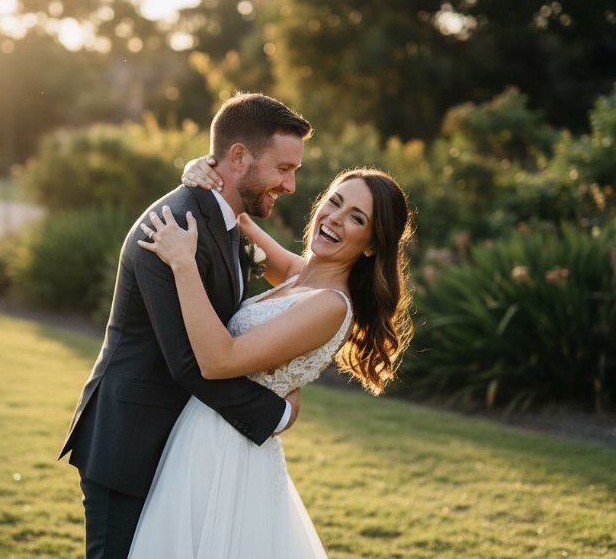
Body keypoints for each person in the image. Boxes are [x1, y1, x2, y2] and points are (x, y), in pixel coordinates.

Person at [58, 92, 313, 559]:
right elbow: (189, 362)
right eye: (283, 168)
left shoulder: (227, 220)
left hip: (181, 448)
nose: (291, 184)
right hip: (130, 442)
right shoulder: (171, 228)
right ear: (239, 157)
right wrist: (275, 414)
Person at [126, 161, 415, 558]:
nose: (334, 218)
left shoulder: (330, 305)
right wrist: (201, 169)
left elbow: (217, 361)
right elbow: (237, 215)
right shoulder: (301, 276)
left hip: (227, 450)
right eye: (335, 202)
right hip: (205, 431)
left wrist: (183, 263)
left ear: (371, 245)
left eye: (356, 218)